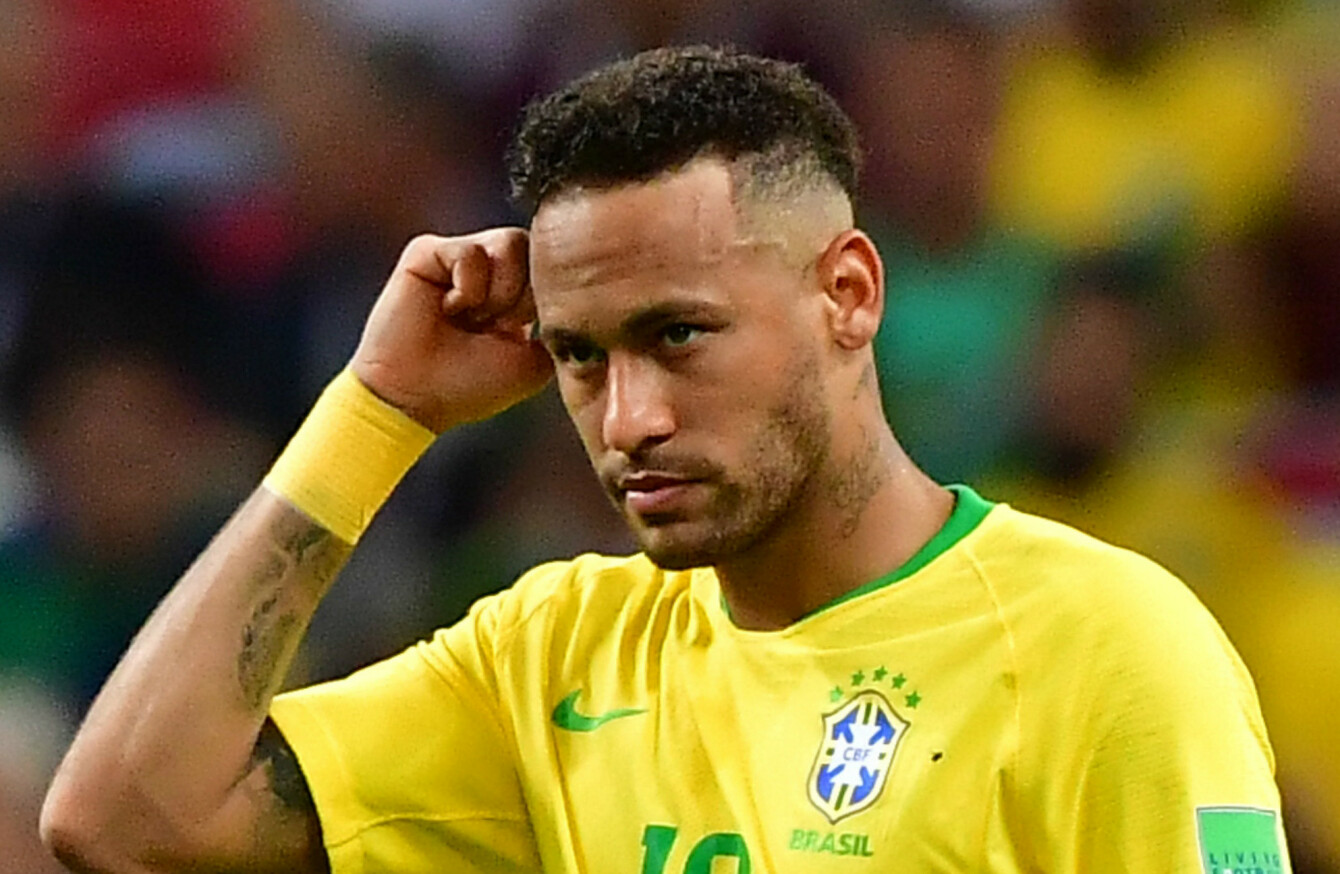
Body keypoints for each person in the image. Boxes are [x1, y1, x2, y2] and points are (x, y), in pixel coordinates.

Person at [40, 46, 1290, 873]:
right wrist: (376, 413)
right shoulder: (550, 657)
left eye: (677, 335)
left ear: (847, 294)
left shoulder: (1105, 648)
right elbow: (123, 819)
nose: (628, 417)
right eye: (579, 356)